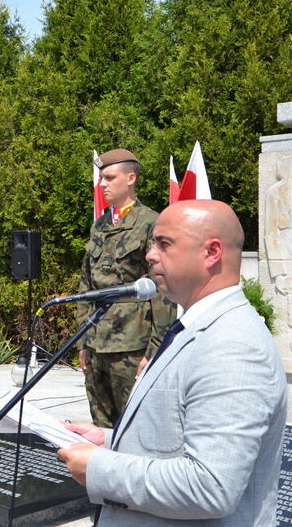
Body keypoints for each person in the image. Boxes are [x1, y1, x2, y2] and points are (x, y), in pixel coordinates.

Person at [58, 200, 288, 525]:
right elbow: (175, 439)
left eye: (164, 244)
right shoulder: (197, 325)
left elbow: (209, 487)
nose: (151, 254)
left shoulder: (233, 346)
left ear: (212, 253)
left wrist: (98, 467)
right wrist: (110, 440)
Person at [76, 149, 175, 428]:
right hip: (96, 343)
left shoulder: (150, 223)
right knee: (102, 427)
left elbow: (161, 289)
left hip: (132, 346)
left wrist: (154, 351)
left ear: (131, 178)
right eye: (101, 178)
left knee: (136, 427)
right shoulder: (100, 226)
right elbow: (86, 284)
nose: (102, 184)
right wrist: (83, 340)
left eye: (109, 177)